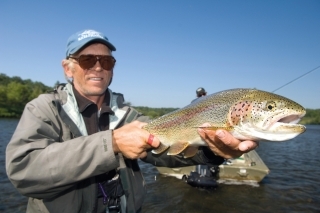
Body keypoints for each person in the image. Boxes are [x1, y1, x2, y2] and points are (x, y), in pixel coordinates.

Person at [6, 29, 258, 213]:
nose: (97, 67)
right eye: (86, 60)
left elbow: (166, 152)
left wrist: (212, 151)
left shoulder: (129, 116)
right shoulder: (43, 109)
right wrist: (111, 143)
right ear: (67, 68)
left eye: (106, 61)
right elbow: (23, 170)